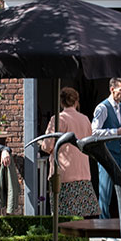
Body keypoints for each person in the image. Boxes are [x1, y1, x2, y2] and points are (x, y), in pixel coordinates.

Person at [40, 87, 99, 217]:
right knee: (80, 218)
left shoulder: (58, 119)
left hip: (63, 173)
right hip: (83, 173)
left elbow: (47, 145)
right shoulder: (85, 119)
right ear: (76, 102)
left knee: (61, 218)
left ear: (61, 102)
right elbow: (90, 145)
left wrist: (43, 145)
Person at [91, 78, 121, 218]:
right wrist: (116, 132)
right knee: (105, 193)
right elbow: (94, 132)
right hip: (108, 155)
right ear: (112, 89)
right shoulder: (102, 108)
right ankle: (104, 228)